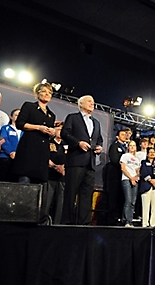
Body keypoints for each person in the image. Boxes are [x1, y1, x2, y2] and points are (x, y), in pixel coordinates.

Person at [61, 95, 103, 225]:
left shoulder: (96, 122)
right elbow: (65, 133)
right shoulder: (73, 118)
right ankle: (66, 222)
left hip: (90, 163)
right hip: (75, 161)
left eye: (93, 102)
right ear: (81, 104)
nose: (92, 103)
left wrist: (99, 147)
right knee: (71, 193)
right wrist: (78, 143)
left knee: (86, 194)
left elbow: (99, 139)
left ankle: (84, 223)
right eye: (89, 101)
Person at [12, 82, 56, 184]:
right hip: (29, 149)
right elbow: (20, 124)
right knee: (25, 180)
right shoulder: (29, 106)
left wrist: (52, 132)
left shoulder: (51, 115)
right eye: (44, 91)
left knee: (38, 184)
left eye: (49, 92)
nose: (47, 94)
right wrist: (38, 127)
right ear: (37, 94)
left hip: (42, 153)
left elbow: (49, 134)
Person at [98, 128, 128, 226]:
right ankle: (111, 220)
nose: (125, 136)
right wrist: (124, 165)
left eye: (125, 134)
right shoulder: (114, 146)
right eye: (122, 134)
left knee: (121, 198)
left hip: (124, 177)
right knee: (113, 198)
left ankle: (119, 218)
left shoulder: (127, 148)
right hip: (114, 176)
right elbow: (115, 160)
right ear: (117, 137)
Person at [46, 124, 66, 224]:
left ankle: (57, 224)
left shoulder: (66, 144)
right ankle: (44, 222)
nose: (60, 132)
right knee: (47, 201)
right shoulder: (48, 142)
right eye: (59, 130)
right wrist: (55, 166)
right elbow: (45, 157)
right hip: (50, 175)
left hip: (62, 178)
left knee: (60, 203)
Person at [0, 108, 23, 182]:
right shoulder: (5, 128)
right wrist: (11, 152)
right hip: (5, 158)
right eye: (16, 115)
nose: (18, 117)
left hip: (19, 160)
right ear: (11, 117)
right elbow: (2, 140)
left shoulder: (24, 131)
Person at [120, 140, 141, 227]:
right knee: (128, 200)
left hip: (134, 180)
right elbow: (123, 168)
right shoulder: (124, 156)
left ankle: (130, 220)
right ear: (128, 147)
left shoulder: (137, 159)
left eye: (134, 145)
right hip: (126, 179)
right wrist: (131, 177)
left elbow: (138, 170)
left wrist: (135, 177)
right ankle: (125, 221)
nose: (132, 147)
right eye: (131, 145)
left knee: (133, 201)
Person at [139, 147, 155, 227]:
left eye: (153, 152)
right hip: (146, 187)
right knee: (145, 207)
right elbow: (143, 172)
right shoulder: (143, 162)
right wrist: (151, 180)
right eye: (150, 152)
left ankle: (154, 224)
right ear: (147, 154)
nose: (152, 154)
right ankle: (145, 224)